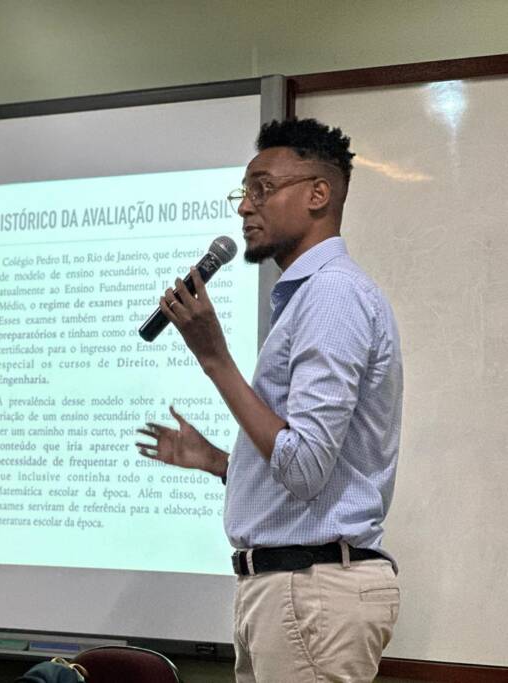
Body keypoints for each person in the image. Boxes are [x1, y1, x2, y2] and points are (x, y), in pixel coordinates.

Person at [136, 118, 402, 682]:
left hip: (311, 591)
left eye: (262, 189)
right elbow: (312, 474)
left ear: (318, 194)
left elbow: (304, 468)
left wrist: (214, 357)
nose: (244, 207)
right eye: (244, 191)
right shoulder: (310, 297)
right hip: (291, 591)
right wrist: (220, 463)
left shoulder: (331, 295)